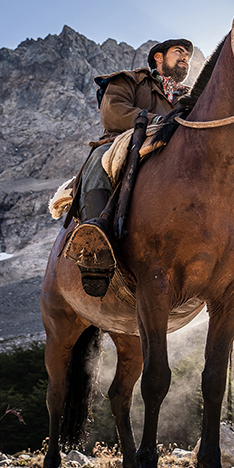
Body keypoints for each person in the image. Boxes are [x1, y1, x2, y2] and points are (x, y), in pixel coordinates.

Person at [64, 39, 194, 297]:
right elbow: (112, 111)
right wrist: (156, 120)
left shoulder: (189, 96)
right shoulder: (130, 80)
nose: (185, 58)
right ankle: (94, 243)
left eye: (188, 56)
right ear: (158, 57)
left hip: (177, 150)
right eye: (179, 52)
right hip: (128, 140)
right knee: (100, 158)